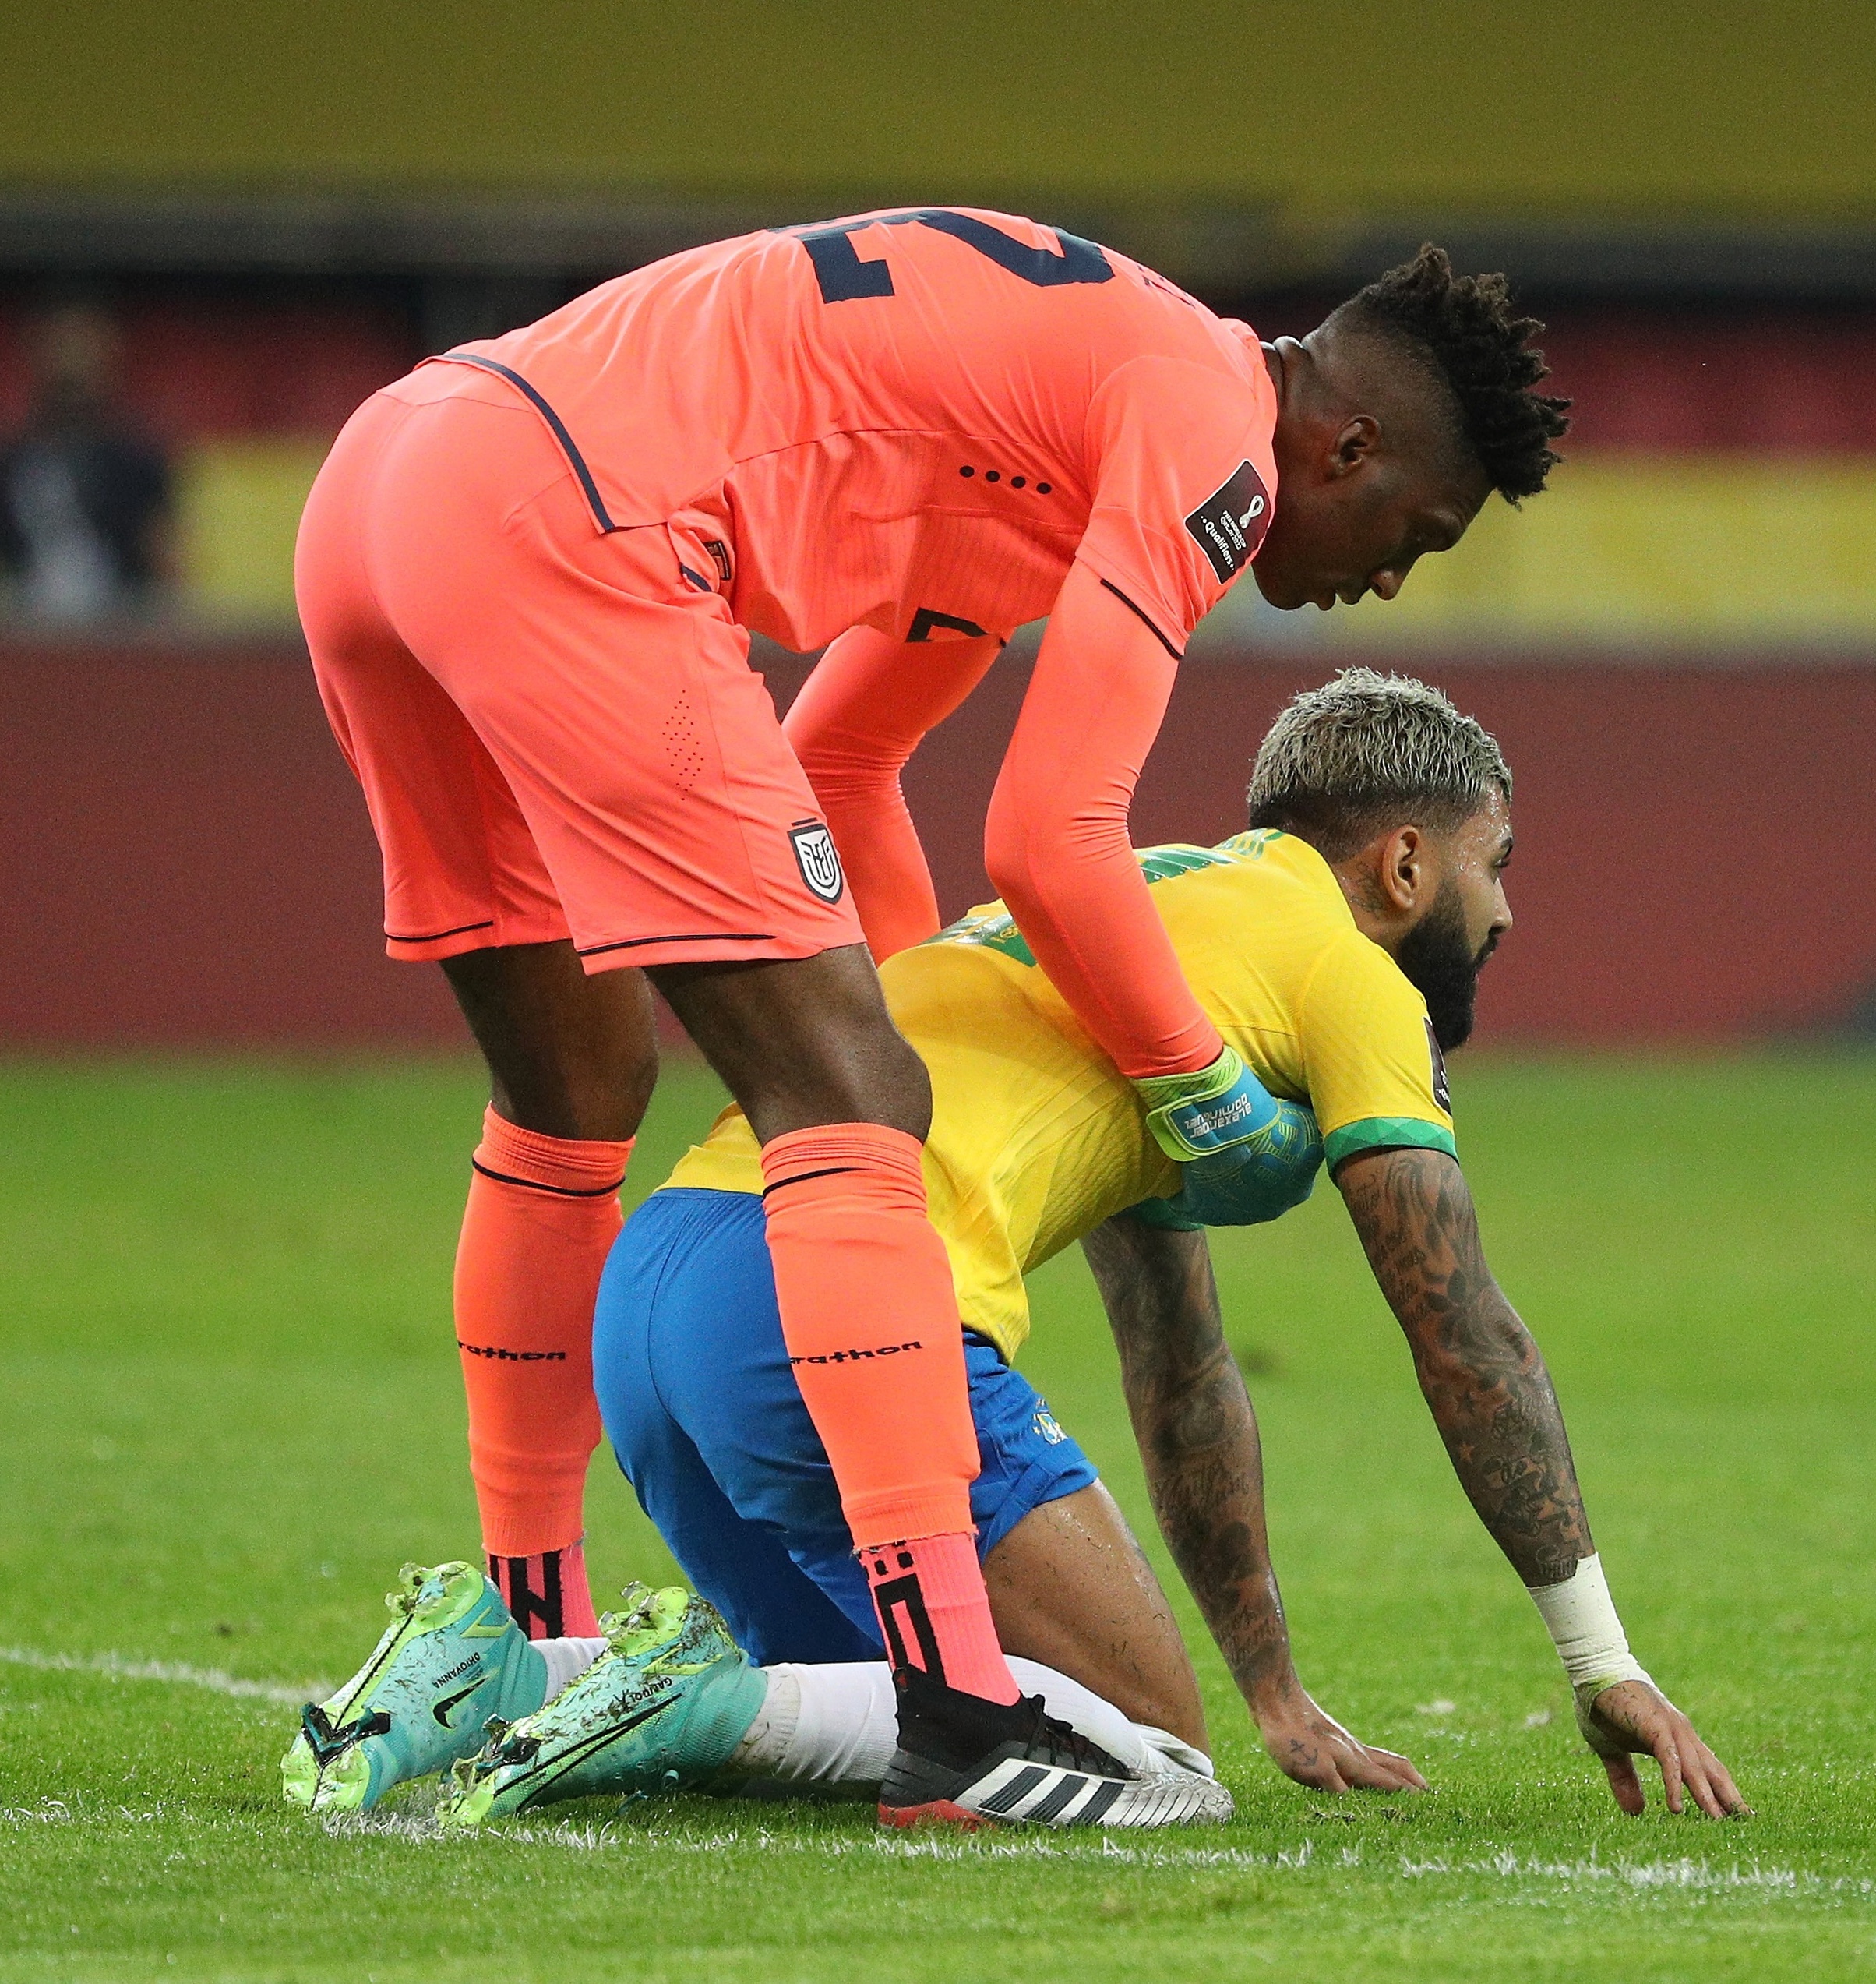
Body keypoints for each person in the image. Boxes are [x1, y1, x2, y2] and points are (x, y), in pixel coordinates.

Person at [293, 211, 1571, 1809]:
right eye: (1416, 529)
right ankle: (959, 1703)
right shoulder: (1210, 442)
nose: (1387, 577)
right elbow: (1046, 837)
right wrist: (1196, 1085)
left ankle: (524, 1636)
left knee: (574, 1087)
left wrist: (932, 1018)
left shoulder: (1064, 420)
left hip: (389, 479)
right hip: (566, 517)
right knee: (851, 1110)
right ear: (1346, 444)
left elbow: (840, 764)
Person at [286, 671, 1742, 1830]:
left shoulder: (1146, 919)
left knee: (868, 1699)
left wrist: (1275, 1686)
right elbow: (1461, 1330)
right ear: (1406, 862)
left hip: (666, 1293)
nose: (1508, 910)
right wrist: (1597, 1660)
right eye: (1498, 866)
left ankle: (509, 1664)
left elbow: (1177, 1360)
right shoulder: (1346, 973)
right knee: (1154, 1765)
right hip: (830, 1307)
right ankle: (684, 1702)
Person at [0, 301, 174, 621]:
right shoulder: (14, 458)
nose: (72, 363)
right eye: (62, 347)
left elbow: (163, 556)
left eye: (84, 349)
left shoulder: (135, 457)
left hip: (117, 626)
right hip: (25, 627)